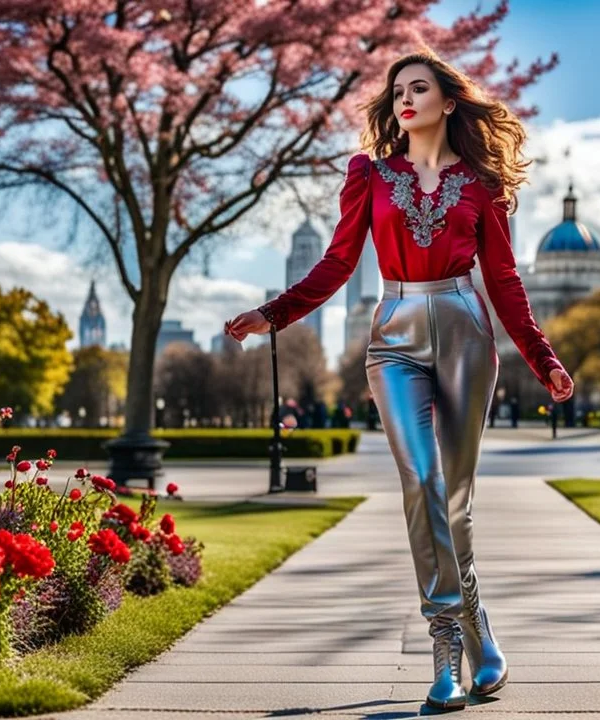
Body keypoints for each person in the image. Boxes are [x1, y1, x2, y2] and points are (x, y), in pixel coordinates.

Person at [224, 49, 575, 710]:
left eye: (420, 88)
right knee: (421, 483)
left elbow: (503, 281)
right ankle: (448, 651)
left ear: (448, 101)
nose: (404, 99)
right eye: (397, 91)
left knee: (456, 502)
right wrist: (275, 314)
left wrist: (543, 356)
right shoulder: (370, 176)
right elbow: (336, 263)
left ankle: (486, 645)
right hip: (393, 334)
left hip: (466, 330)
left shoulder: (482, 185)